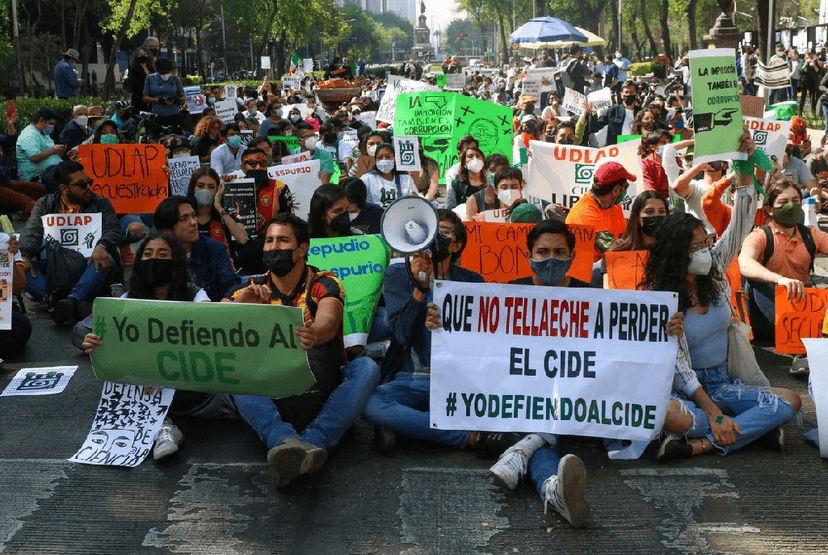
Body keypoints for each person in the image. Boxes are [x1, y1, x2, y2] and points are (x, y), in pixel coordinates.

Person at [647, 176, 802, 460]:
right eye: (695, 248)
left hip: (725, 384)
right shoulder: (660, 298)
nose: (705, 251)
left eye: (705, 243)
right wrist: (714, 412)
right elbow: (681, 373)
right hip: (688, 392)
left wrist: (743, 177)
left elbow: (740, 226)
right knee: (671, 415)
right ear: (676, 253)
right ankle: (754, 429)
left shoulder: (714, 271)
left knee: (790, 400)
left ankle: (695, 446)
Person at [231, 213, 379, 487]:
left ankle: (306, 444)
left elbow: (329, 318)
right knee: (234, 373)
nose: (273, 248)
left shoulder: (324, 282)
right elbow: (216, 324)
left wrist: (314, 333)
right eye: (269, 241)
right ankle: (286, 442)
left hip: (321, 391)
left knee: (367, 367)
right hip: (272, 394)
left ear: (302, 249)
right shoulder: (250, 288)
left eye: (283, 240)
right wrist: (242, 304)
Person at [487, 219, 594, 528]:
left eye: (560, 252)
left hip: (574, 394)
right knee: (539, 428)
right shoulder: (510, 293)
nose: (551, 259)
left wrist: (663, 330)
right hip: (523, 392)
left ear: (573, 255)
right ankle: (552, 488)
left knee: (538, 424)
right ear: (528, 255)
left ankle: (526, 447)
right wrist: (442, 322)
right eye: (543, 251)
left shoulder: (593, 296)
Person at [364, 210, 499, 452]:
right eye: (431, 231)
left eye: (444, 232)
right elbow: (402, 335)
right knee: (373, 404)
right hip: (412, 380)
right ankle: (465, 436)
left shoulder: (473, 282)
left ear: (456, 245)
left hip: (459, 380)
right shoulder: (397, 274)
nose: (435, 238)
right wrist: (419, 289)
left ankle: (412, 426)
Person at [81, 232, 211, 460]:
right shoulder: (127, 300)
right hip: (146, 385)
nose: (154, 260)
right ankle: (163, 428)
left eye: (162, 254)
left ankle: (160, 425)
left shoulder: (195, 294)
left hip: (190, 384)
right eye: (148, 254)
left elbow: (211, 323)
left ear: (176, 261)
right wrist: (95, 343)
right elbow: (104, 337)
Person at [17, 161, 119, 325]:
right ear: (64, 188)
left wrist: (102, 245)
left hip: (89, 265)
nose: (88, 187)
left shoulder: (100, 203)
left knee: (106, 262)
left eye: (89, 182)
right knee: (20, 268)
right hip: (55, 268)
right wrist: (25, 255)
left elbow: (113, 229)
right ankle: (63, 302)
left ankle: (70, 300)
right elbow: (31, 232)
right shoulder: (44, 204)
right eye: (82, 184)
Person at [739, 180, 828, 343]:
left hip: (800, 307)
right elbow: (745, 263)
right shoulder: (760, 235)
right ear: (770, 210)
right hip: (767, 318)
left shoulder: (810, 235)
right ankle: (798, 339)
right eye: (783, 202)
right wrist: (780, 280)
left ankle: (805, 336)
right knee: (757, 281)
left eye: (795, 201)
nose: (791, 206)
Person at [153, 196, 241, 302]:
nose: (194, 222)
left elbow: (232, 284)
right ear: (167, 230)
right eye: (184, 219)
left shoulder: (215, 249)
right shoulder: (154, 253)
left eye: (193, 216)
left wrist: (227, 299)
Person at [565, 161, 631, 263]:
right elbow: (615, 250)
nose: (626, 191)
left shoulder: (613, 207)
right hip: (588, 273)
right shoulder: (585, 214)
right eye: (626, 187)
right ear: (616, 190)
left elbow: (626, 236)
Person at [186, 167, 248, 248]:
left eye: (211, 187)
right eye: (200, 186)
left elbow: (242, 239)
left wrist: (219, 207)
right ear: (193, 188)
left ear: (218, 189)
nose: (205, 190)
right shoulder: (185, 213)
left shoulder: (229, 212)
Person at [0, 233, 32, 360]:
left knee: (20, 326)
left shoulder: (5, 242)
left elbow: (19, 288)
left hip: (3, 309)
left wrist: (10, 260)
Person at [16, 107, 64, 189]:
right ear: (41, 121)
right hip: (35, 177)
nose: (51, 127)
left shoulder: (44, 133)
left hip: (51, 171)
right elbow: (34, 158)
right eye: (50, 124)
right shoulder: (29, 134)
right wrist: (53, 150)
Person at [361, 143, 417, 208]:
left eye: (388, 157)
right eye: (380, 157)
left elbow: (413, 202)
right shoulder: (367, 179)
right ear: (375, 160)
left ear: (394, 158)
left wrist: (414, 198)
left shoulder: (406, 179)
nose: (384, 160)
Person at [587, 80, 640, 146]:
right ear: (621, 94)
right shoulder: (613, 111)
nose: (628, 94)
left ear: (637, 94)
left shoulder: (642, 112)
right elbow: (595, 127)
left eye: (631, 92)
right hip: (616, 150)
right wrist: (593, 114)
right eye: (626, 92)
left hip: (635, 149)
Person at [143, 57, 186, 133]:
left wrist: (177, 100)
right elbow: (145, 98)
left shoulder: (175, 79)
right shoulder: (150, 78)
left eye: (168, 72)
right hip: (157, 115)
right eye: (163, 72)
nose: (166, 74)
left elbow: (183, 97)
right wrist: (159, 100)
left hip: (174, 115)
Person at [446, 146, 487, 210]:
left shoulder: (489, 184)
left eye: (478, 156)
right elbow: (450, 208)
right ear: (464, 164)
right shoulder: (456, 184)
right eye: (470, 156)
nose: (475, 158)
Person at [639, 129, 674, 198]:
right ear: (653, 147)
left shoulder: (676, 161)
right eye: (664, 142)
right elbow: (649, 190)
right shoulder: (646, 164)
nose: (668, 146)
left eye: (669, 142)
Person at [128, 46, 154, 114]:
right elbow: (133, 84)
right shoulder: (134, 69)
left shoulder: (151, 68)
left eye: (145, 54)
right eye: (141, 54)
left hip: (150, 97)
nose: (143, 56)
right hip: (139, 98)